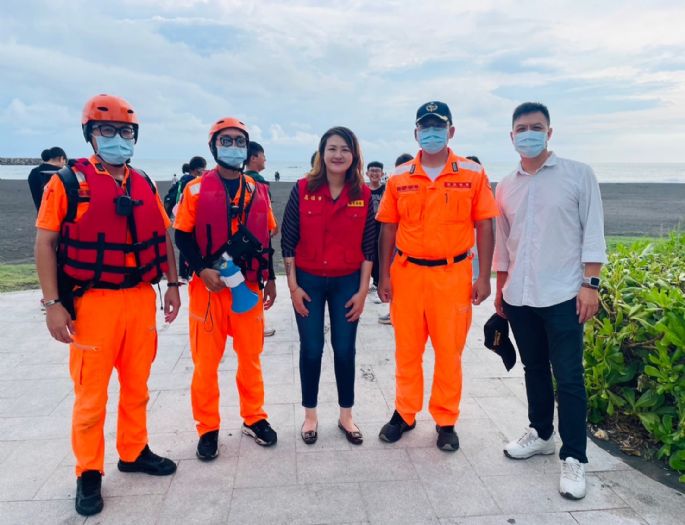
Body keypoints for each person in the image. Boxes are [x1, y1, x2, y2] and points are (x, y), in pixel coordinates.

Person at [34, 94, 181, 517]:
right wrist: (52, 304)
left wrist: (172, 284)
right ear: (90, 135)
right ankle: (88, 473)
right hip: (93, 301)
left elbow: (164, 235)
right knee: (91, 394)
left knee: (137, 385)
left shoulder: (144, 182)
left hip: (140, 298)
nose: (118, 139)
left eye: (125, 132)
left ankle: (134, 451)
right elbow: (45, 242)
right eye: (107, 131)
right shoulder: (66, 182)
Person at [493, 102, 607, 500]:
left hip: (563, 293)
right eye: (521, 128)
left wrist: (590, 283)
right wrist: (500, 288)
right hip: (520, 295)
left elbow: (593, 231)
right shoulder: (505, 185)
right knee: (534, 368)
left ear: (549, 132)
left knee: (570, 377)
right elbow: (505, 245)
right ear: (511, 137)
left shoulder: (578, 175)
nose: (529, 133)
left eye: (536, 127)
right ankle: (541, 432)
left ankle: (574, 456)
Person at [376, 101, 497, 451]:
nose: (431, 133)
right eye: (425, 127)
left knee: (448, 352)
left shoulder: (472, 173)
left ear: (451, 131)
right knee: (407, 350)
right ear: (416, 133)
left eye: (438, 126)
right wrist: (384, 276)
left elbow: (485, 225)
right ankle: (404, 413)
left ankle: (446, 420)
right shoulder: (399, 176)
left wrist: (484, 277)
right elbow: (387, 228)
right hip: (408, 274)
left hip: (453, 275)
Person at [174, 116, 279, 460]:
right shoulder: (194, 189)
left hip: (247, 286)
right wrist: (202, 269)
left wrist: (271, 279)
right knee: (206, 364)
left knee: (251, 358)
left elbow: (267, 237)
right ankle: (208, 428)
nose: (233, 147)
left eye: (239, 141)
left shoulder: (258, 189)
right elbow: (182, 235)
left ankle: (254, 417)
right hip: (208, 290)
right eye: (226, 140)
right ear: (213, 146)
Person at [281, 126, 375, 445]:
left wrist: (363, 292)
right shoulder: (303, 188)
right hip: (308, 281)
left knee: (345, 349)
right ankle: (310, 415)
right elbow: (288, 241)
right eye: (332, 148)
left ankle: (346, 415)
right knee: (311, 349)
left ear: (354, 156)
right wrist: (293, 287)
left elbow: (369, 246)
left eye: (345, 149)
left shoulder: (362, 194)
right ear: (322, 153)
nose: (338, 155)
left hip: (347, 282)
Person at [245, 141, 277, 337]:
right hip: (258, 238)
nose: (265, 159)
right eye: (263, 155)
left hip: (241, 242)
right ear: (254, 158)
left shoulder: (238, 180)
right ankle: (257, 324)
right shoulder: (259, 183)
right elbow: (267, 219)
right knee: (256, 280)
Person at [377, 153, 414, 325]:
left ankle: (398, 313)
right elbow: (388, 224)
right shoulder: (394, 185)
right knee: (393, 282)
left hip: (409, 248)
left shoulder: (415, 187)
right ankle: (394, 312)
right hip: (396, 246)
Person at [173, 157, 207, 281]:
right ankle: (189, 272)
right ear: (198, 169)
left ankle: (183, 273)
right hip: (189, 213)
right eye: (203, 168)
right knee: (190, 243)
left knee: (184, 245)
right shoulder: (193, 183)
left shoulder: (182, 180)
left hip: (180, 212)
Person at [366, 161, 385, 293]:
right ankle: (369, 279)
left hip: (382, 225)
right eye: (372, 171)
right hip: (367, 226)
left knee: (381, 254)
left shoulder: (386, 189)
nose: (374, 173)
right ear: (367, 173)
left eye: (377, 171)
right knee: (368, 253)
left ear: (382, 174)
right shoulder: (363, 190)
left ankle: (378, 281)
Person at [28, 146, 67, 211]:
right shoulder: (62, 174)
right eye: (65, 161)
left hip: (41, 214)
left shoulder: (34, 172)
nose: (64, 164)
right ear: (61, 158)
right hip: (59, 215)